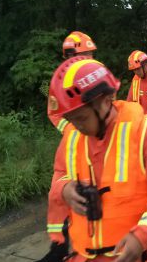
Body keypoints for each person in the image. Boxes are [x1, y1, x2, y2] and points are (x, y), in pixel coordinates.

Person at [45, 57, 147, 262]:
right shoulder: (72, 136)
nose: (76, 126)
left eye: (81, 118)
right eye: (70, 119)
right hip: (83, 255)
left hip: (137, 254)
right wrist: (64, 189)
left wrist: (143, 234)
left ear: (105, 101)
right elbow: (59, 173)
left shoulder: (144, 131)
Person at [39, 31, 98, 262]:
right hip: (72, 141)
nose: (90, 59)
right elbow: (53, 112)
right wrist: (72, 128)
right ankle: (59, 246)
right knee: (58, 191)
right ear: (72, 55)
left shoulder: (95, 73)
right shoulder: (61, 80)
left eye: (91, 54)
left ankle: (94, 239)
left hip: (98, 139)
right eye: (86, 55)